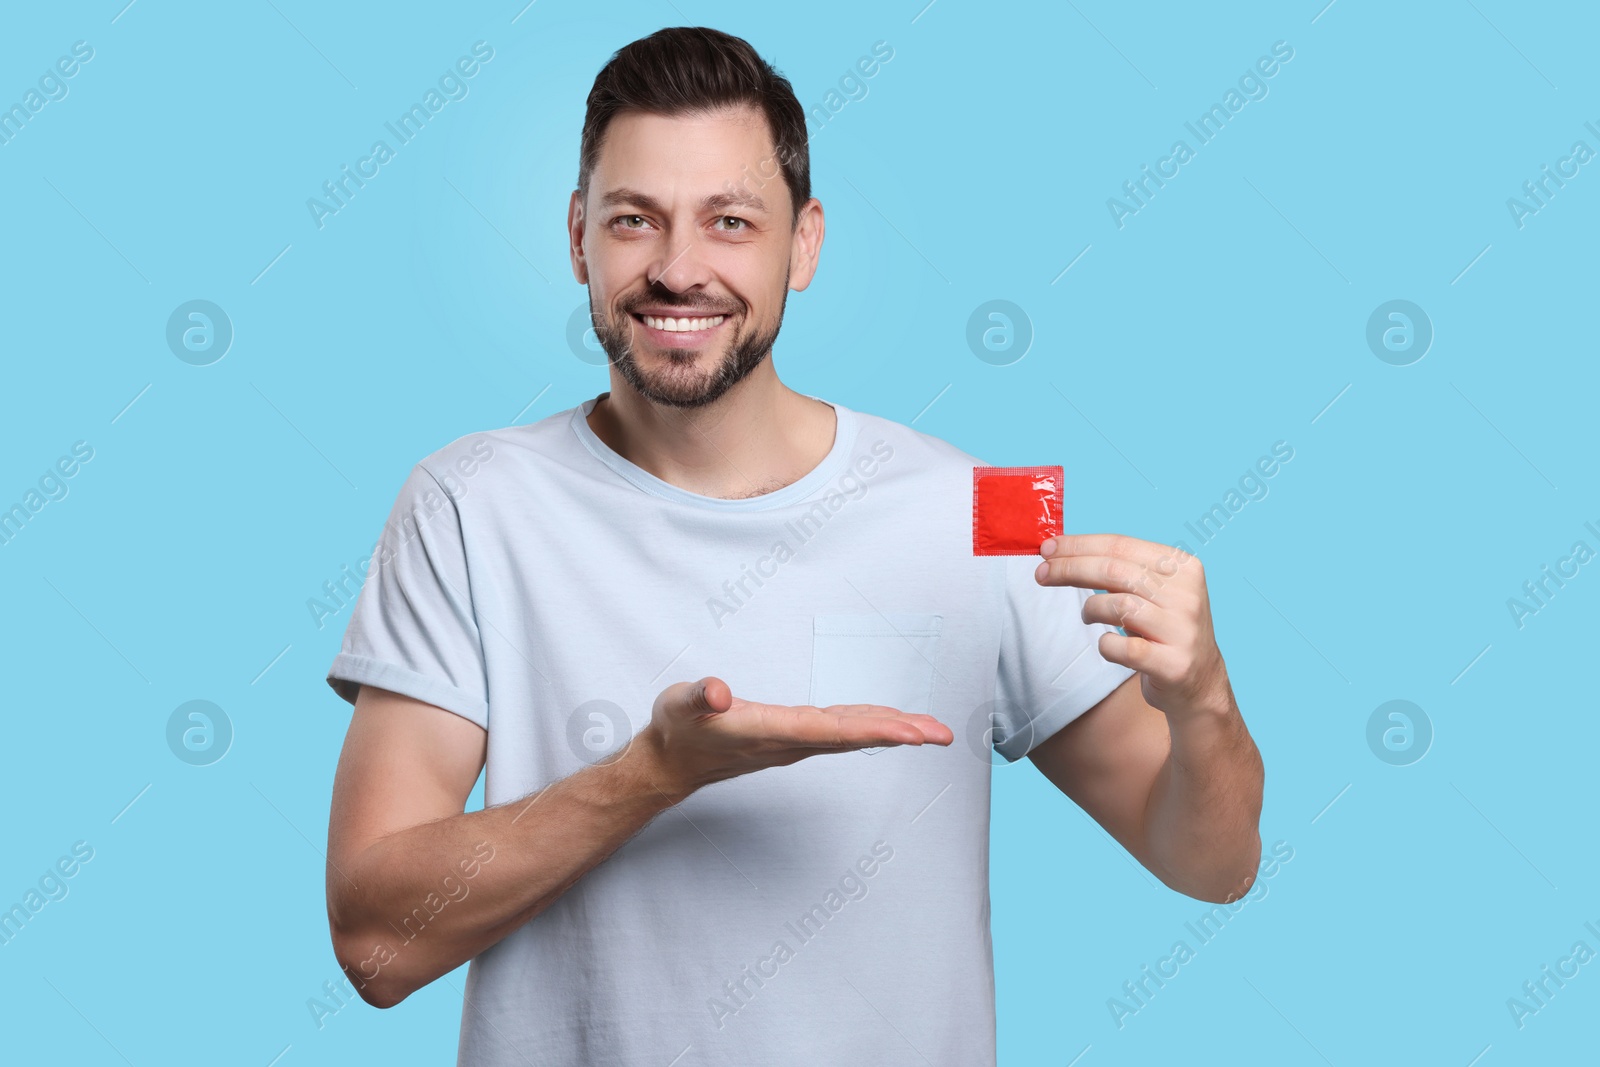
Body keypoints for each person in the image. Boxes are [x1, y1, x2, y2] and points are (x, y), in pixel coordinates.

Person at [323, 25, 1263, 1067]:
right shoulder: (466, 501)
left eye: (730, 222)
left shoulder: (982, 504)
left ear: (802, 244)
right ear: (579, 237)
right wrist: (651, 774)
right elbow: (374, 944)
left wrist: (1206, 700)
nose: (679, 270)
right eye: (635, 221)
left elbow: (1213, 865)